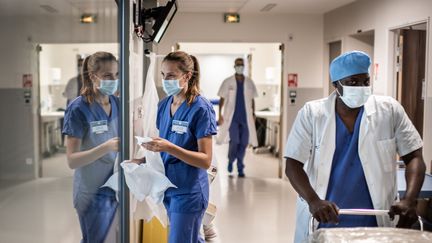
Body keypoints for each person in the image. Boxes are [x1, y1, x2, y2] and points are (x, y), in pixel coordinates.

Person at [284, 50, 426, 243]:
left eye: (365, 82)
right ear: (336, 85)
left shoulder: (389, 110)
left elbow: (414, 156)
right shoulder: (312, 114)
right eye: (352, 82)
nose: (360, 87)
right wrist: (313, 200)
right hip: (325, 216)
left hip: (375, 218)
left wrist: (410, 199)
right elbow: (292, 164)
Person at [141, 51, 217, 243]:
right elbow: (163, 144)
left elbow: (205, 160)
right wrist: (142, 159)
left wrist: (170, 148)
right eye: (163, 75)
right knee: (186, 237)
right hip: (169, 187)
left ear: (187, 76)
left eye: (172, 76)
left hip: (189, 190)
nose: (166, 80)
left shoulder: (200, 108)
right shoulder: (164, 104)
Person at [62, 51, 120, 243]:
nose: (114, 80)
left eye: (116, 75)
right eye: (107, 76)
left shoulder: (117, 104)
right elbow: (72, 160)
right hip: (91, 192)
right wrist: (106, 147)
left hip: (114, 188)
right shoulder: (79, 108)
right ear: (94, 76)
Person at [217, 58, 258, 177]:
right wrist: (220, 114)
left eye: (241, 65)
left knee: (244, 143)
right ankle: (231, 160)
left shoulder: (249, 82)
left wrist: (254, 113)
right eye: (238, 65)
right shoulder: (228, 81)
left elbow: (252, 99)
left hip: (246, 118)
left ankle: (240, 167)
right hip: (232, 118)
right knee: (235, 141)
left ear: (244, 66)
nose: (240, 67)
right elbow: (222, 99)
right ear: (234, 66)